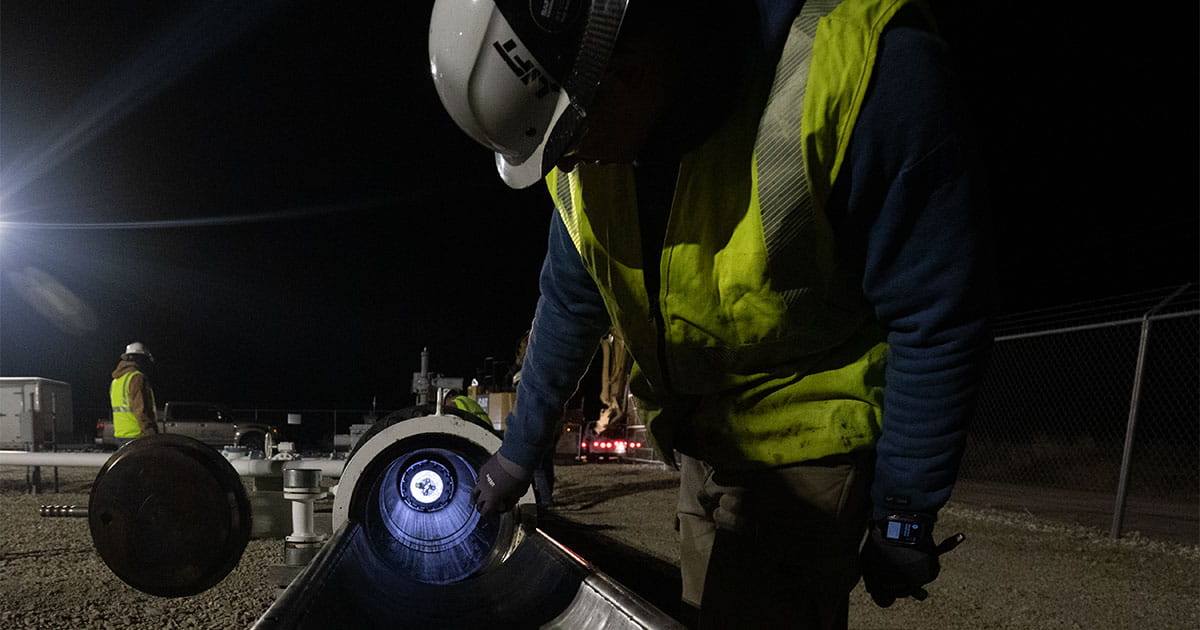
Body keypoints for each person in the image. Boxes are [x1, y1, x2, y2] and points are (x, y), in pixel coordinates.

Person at [432, 1, 993, 627]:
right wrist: (518, 452)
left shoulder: (857, 75)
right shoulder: (603, 141)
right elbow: (572, 297)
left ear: (630, 74)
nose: (567, 164)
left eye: (568, 140)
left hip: (805, 452)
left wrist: (904, 513)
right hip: (704, 443)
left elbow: (935, 313)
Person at [109, 342, 159, 444]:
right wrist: (151, 434)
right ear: (140, 359)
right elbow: (141, 410)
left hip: (121, 434)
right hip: (138, 435)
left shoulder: (116, 381)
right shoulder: (137, 378)